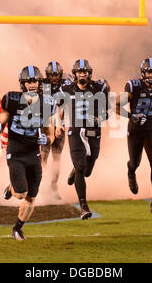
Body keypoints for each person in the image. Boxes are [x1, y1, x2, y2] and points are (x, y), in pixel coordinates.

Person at [0, 66, 55, 240]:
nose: (32, 84)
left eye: (34, 81)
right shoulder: (12, 99)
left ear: (40, 83)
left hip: (34, 153)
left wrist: (47, 140)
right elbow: (4, 115)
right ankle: (12, 188)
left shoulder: (47, 103)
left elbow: (51, 132)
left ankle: (17, 229)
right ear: (23, 84)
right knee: (20, 193)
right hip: (16, 151)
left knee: (32, 197)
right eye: (29, 81)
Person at [57, 59, 110, 220]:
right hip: (75, 130)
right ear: (74, 74)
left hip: (94, 130)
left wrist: (99, 118)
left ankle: (75, 170)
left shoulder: (99, 88)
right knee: (81, 166)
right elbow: (56, 109)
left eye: (85, 72)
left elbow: (107, 112)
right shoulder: (66, 89)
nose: (82, 75)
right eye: (80, 72)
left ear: (89, 74)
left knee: (87, 170)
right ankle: (83, 206)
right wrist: (59, 125)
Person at [117, 58, 152, 214]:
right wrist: (131, 115)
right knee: (135, 161)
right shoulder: (134, 86)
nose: (151, 76)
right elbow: (116, 105)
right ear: (143, 72)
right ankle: (131, 171)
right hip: (136, 128)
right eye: (149, 72)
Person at [40, 61, 66, 200]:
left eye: (56, 75)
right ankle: (40, 184)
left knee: (57, 157)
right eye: (51, 75)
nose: (54, 77)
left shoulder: (66, 84)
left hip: (61, 124)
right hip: (45, 124)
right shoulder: (41, 85)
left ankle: (54, 186)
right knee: (43, 156)